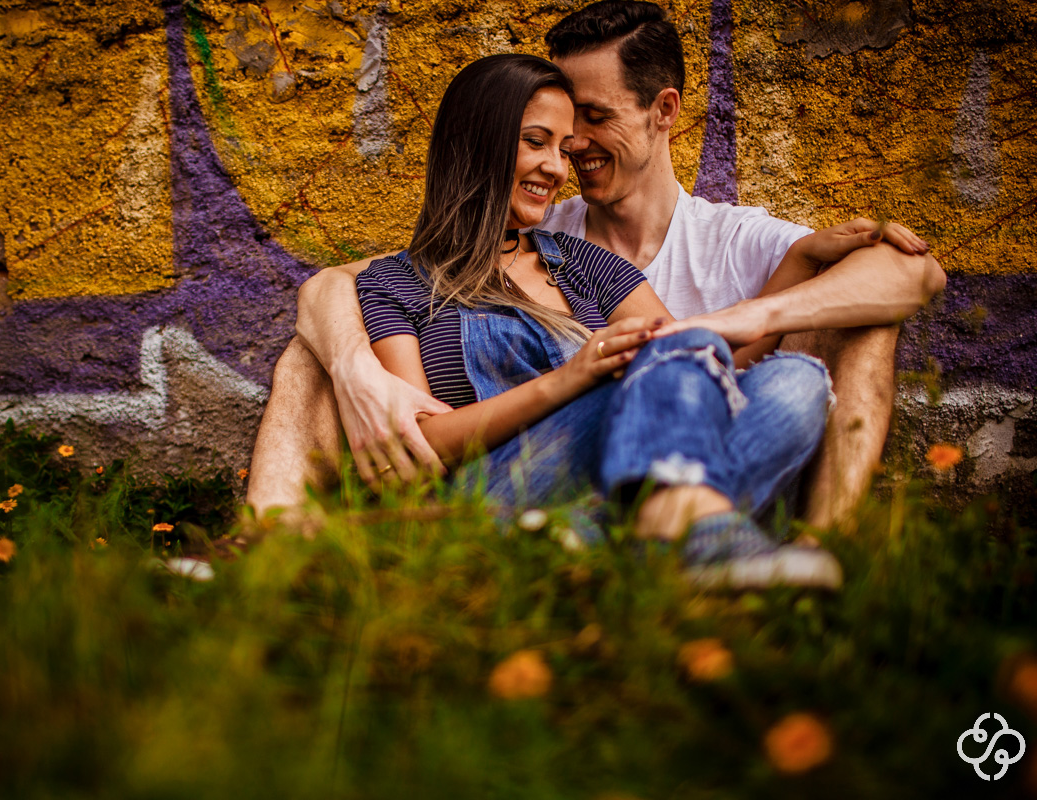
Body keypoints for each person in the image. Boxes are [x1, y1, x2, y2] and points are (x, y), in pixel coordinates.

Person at [248, 0, 946, 535]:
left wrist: (767, 296)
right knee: (310, 352)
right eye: (544, 137)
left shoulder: (707, 240)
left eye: (590, 118)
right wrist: (356, 369)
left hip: (667, 441)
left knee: (799, 372)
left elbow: (914, 278)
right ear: (487, 144)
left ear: (662, 111)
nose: (569, 151)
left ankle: (802, 544)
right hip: (531, 464)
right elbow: (351, 281)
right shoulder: (526, 232)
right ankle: (272, 544)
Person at [352, 52, 841, 588]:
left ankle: (593, 541)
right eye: (536, 142)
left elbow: (694, 358)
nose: (557, 169)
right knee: (637, 373)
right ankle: (684, 540)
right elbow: (420, 445)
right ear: (476, 139)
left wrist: (799, 260)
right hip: (490, 490)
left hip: (605, 477)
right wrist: (571, 379)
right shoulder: (396, 283)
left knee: (797, 380)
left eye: (563, 151)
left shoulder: (582, 262)